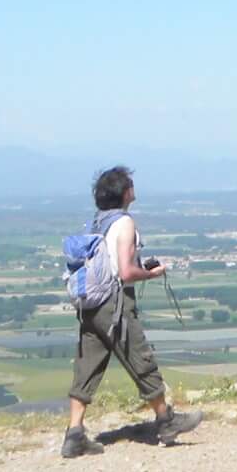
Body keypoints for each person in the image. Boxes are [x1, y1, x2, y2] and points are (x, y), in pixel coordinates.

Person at [62, 165, 202, 456]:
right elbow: (125, 272)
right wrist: (151, 273)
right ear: (125, 192)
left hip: (90, 304)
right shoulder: (124, 223)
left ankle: (74, 433)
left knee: (87, 366)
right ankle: (166, 421)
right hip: (115, 304)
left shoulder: (96, 223)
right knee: (141, 359)